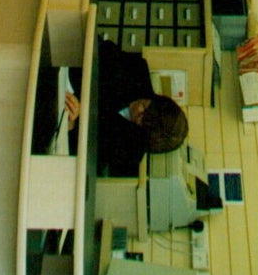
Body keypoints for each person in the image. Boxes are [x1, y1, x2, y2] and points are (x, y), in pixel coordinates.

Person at [65, 39, 188, 176]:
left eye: (142, 121)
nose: (139, 111)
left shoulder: (131, 152)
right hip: (66, 71)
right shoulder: (137, 70)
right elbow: (96, 48)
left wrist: (71, 125)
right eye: (145, 106)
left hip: (61, 122)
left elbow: (86, 162)